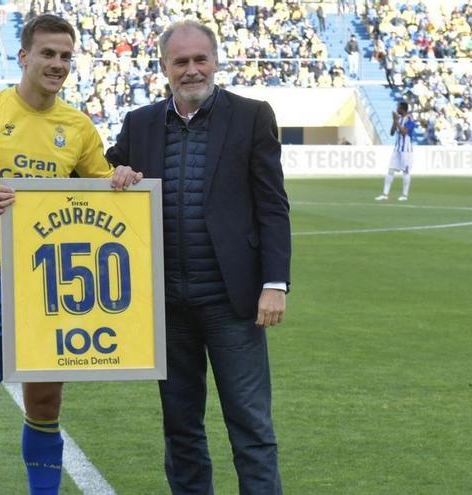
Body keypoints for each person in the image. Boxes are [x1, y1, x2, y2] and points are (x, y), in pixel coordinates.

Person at [0, 14, 140, 494]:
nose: (57, 64)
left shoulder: (78, 126)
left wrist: (119, 179)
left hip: (51, 288)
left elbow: (98, 186)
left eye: (65, 56)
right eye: (47, 53)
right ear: (23, 56)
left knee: (45, 406)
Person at [106, 20, 291, 494]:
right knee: (181, 429)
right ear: (164, 67)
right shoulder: (140, 122)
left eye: (199, 59)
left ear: (215, 61)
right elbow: (104, 174)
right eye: (180, 62)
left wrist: (275, 283)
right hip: (166, 307)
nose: (191, 70)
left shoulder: (252, 115)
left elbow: (272, 203)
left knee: (250, 428)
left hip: (234, 304)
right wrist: (118, 171)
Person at [376, 102, 415, 201]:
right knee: (390, 170)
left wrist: (396, 121)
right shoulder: (399, 119)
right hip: (397, 149)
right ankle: (385, 194)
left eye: (398, 107)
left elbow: (404, 132)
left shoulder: (409, 119)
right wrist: (395, 121)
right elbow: (392, 132)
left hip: (406, 150)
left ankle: (405, 195)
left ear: (402, 109)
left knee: (406, 171)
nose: (396, 109)